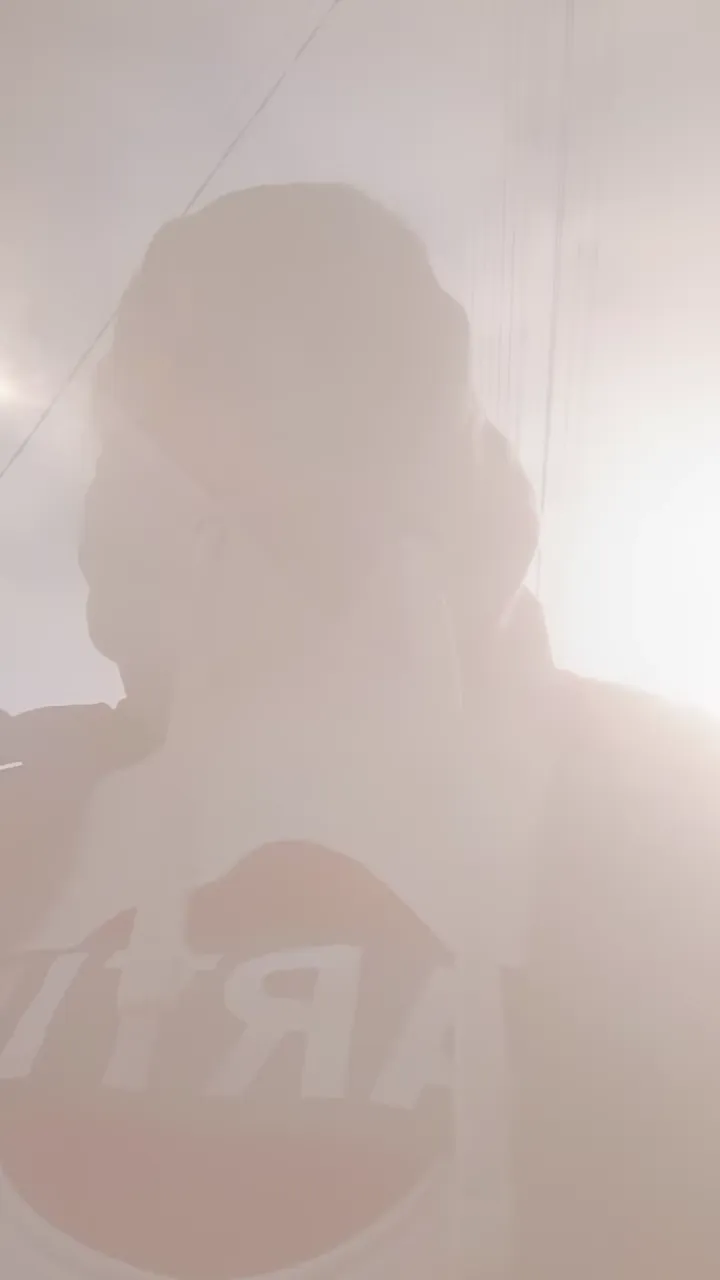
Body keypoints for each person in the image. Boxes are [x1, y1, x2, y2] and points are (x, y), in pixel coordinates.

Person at [2, 182, 720, 1280]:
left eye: (145, 435)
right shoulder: (32, 797)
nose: (97, 505)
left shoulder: (664, 821)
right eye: (112, 443)